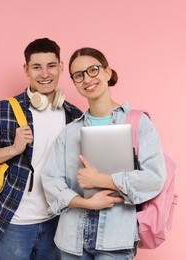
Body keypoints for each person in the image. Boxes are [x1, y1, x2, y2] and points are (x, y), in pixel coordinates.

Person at [41, 47, 167, 259]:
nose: (87, 79)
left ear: (107, 72)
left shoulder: (138, 123)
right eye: (78, 76)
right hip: (71, 239)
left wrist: (103, 179)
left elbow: (154, 178)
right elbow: (50, 180)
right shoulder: (70, 132)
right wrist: (85, 203)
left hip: (116, 240)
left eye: (93, 70)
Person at [0, 38, 82, 260]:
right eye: (37, 67)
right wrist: (13, 149)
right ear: (26, 69)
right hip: (14, 222)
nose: (44, 74)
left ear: (60, 67)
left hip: (56, 222)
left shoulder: (73, 115)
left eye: (50, 66)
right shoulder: (5, 110)